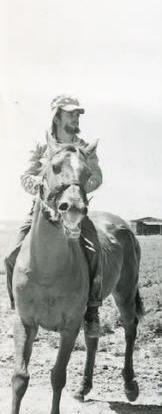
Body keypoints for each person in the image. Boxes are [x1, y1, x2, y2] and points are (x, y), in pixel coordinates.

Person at [5, 94, 103, 338]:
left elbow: (97, 178)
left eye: (78, 114)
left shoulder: (85, 148)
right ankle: (18, 309)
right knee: (11, 255)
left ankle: (91, 313)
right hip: (41, 211)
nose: (76, 117)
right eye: (71, 113)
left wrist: (75, 188)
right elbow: (25, 177)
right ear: (57, 115)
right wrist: (42, 183)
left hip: (74, 210)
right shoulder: (41, 146)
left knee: (94, 251)